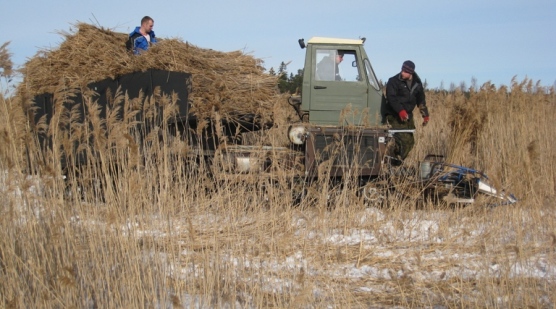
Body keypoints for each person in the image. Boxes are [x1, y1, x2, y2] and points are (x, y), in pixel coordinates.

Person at [382, 60, 429, 164]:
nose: (402, 73)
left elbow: (421, 100)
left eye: (406, 71)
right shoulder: (393, 81)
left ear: (411, 73)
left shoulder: (417, 84)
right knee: (401, 140)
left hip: (408, 116)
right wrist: (400, 111)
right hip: (394, 115)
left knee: (410, 142)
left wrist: (425, 115)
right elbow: (391, 98)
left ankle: (395, 162)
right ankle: (390, 161)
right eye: (402, 70)